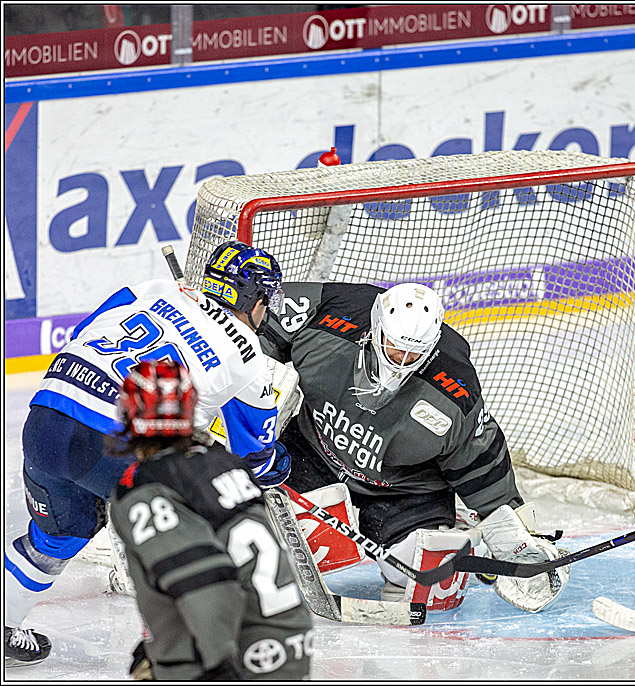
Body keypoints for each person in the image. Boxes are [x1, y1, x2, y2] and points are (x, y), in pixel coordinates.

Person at [3, 241, 290, 666]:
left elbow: (86, 333)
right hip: (112, 444)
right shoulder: (247, 357)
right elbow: (255, 459)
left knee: (59, 535)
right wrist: (278, 463)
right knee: (196, 539)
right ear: (256, 301)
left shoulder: (155, 288)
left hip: (46, 416)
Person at [259, 280, 569, 614]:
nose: (402, 360)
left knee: (427, 584)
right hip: (314, 453)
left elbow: (480, 460)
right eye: (394, 346)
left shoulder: (454, 388)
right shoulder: (330, 312)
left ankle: (455, 527)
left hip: (403, 489)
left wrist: (520, 539)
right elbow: (246, 338)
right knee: (262, 542)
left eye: (415, 353)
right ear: (376, 327)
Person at [108, 360, 312, 680]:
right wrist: (159, 645)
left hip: (233, 655)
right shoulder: (226, 462)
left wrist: (218, 668)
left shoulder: (145, 489)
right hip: (289, 639)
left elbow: (204, 582)